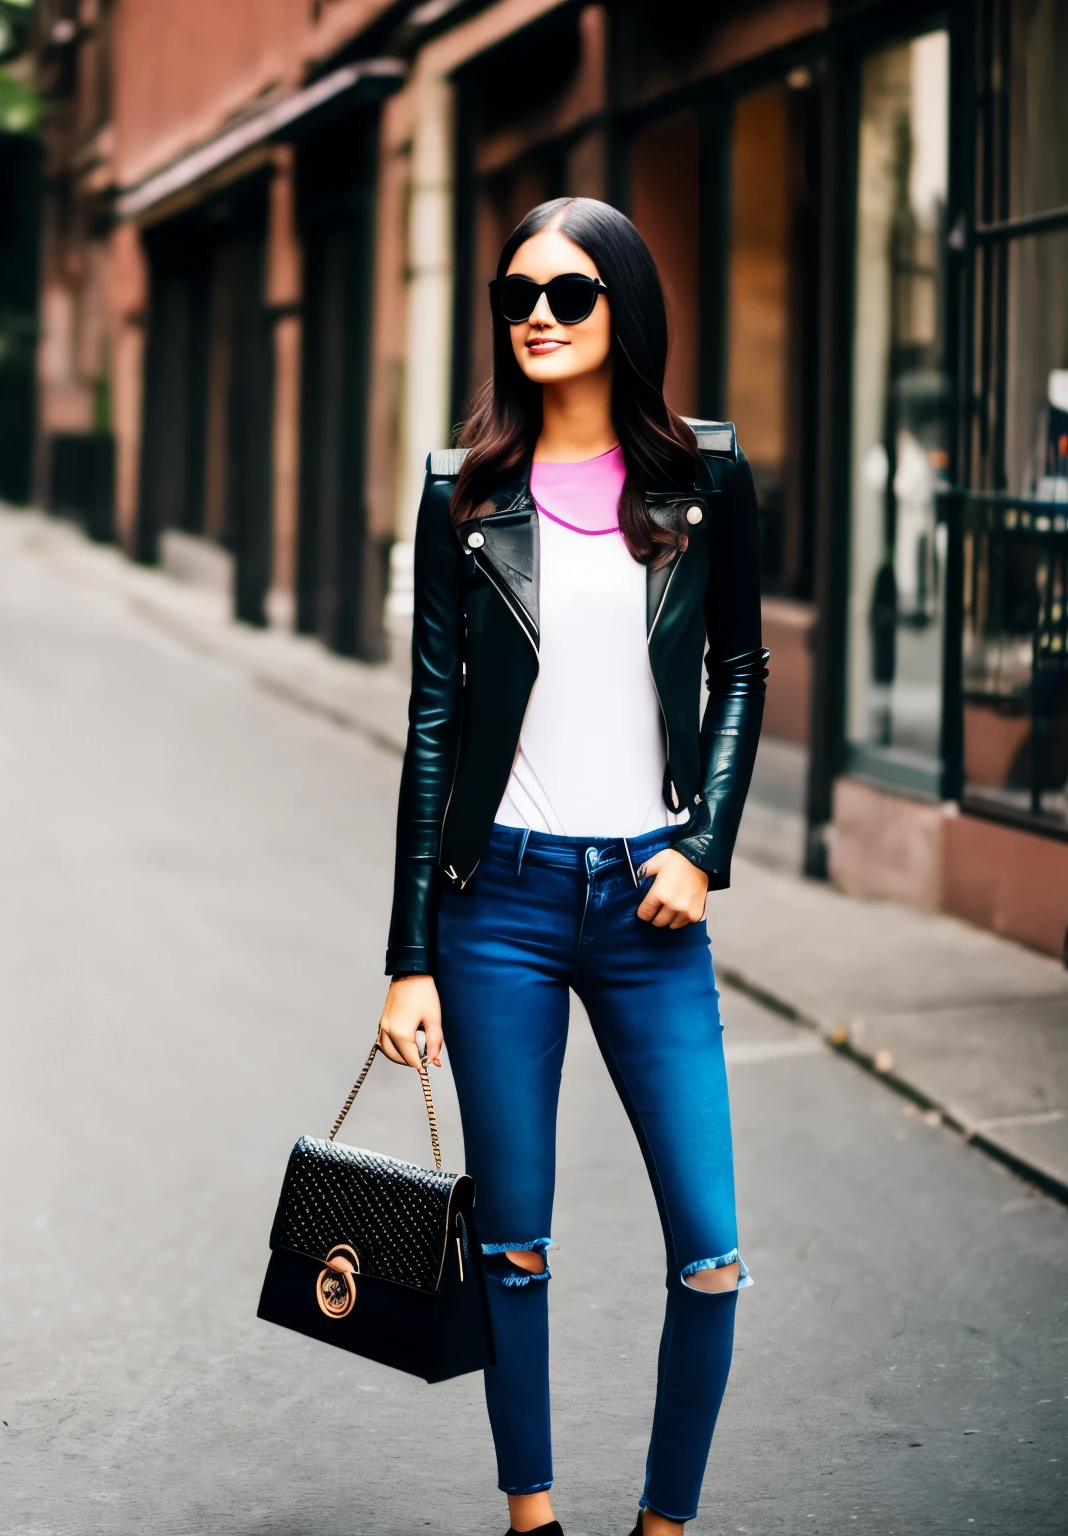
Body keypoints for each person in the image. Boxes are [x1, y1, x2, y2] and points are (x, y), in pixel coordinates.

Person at [377, 198, 767, 1535]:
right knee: (515, 1246)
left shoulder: (704, 477)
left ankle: (666, 1523)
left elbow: (741, 672)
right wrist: (408, 956)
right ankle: (531, 1515)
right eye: (515, 295)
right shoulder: (463, 493)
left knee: (710, 1254)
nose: (535, 314)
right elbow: (432, 722)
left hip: (652, 911)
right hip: (503, 910)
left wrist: (703, 850)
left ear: (625, 312)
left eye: (568, 293)